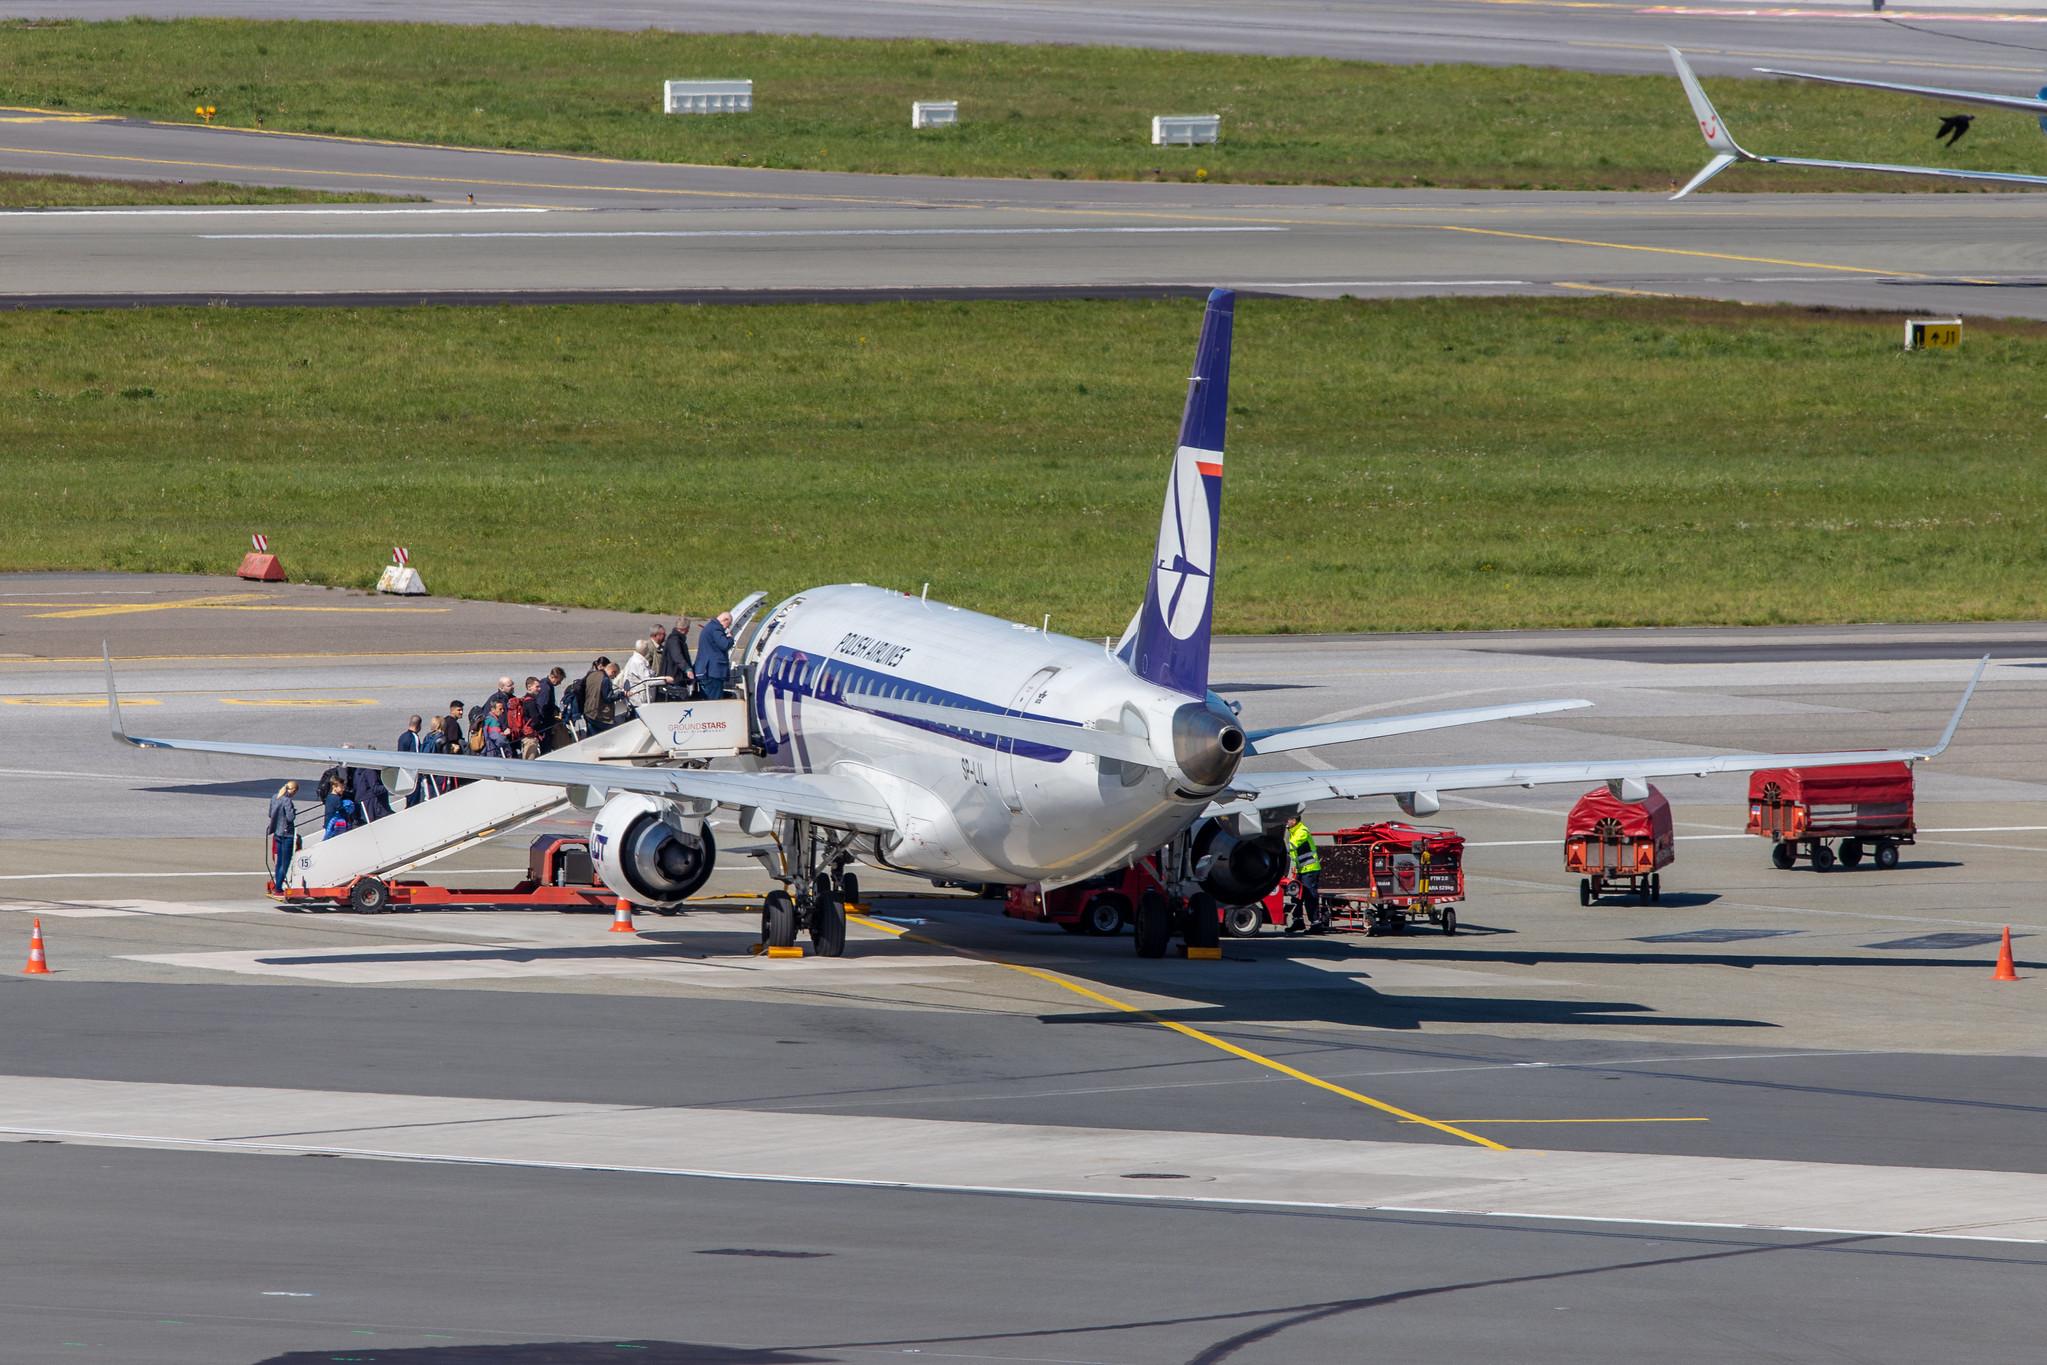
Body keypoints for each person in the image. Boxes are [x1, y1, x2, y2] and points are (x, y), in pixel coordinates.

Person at [1285, 814, 1323, 934]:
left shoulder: (1302, 831)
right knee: (1296, 896)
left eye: (1288, 819)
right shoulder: (1293, 831)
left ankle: (1316, 924)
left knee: (1309, 897)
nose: (1286, 821)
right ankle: (1298, 921)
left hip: (1310, 869)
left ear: (1294, 820)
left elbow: (1292, 846)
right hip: (1301, 870)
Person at [266, 780, 300, 894]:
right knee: (284, 862)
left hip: (277, 832)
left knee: (279, 861)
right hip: (287, 834)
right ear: (293, 791)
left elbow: (270, 814)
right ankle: (278, 887)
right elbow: (290, 818)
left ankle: (277, 883)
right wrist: (294, 812)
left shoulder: (275, 797)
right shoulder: (287, 801)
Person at [697, 611, 735, 700]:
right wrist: (730, 638)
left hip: (705, 670)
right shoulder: (716, 628)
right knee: (715, 700)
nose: (727, 628)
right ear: (725, 620)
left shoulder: (709, 627)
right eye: (728, 625)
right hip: (713, 672)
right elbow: (724, 644)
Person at [659, 616, 696, 701]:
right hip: (673, 678)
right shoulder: (674, 640)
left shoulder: (677, 639)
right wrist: (687, 669)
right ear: (685, 629)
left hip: (676, 677)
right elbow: (677, 656)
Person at [579, 656, 615, 734]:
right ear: (602, 666)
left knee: (590, 735)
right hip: (595, 713)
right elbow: (607, 697)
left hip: (587, 710)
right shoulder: (603, 678)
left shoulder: (590, 674)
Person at [396, 715, 427, 806]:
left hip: (404, 773)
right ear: (419, 725)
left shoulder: (402, 736)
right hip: (413, 776)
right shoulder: (414, 737)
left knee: (408, 798)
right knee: (414, 801)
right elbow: (416, 756)